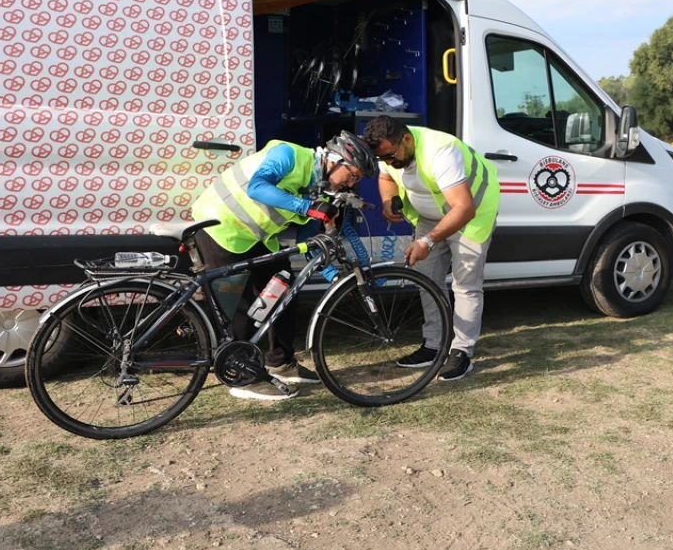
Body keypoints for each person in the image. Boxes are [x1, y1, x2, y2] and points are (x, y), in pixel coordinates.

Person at [190, 131, 378, 401]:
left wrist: (329, 270)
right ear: (335, 161)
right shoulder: (289, 154)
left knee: (285, 288)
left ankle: (280, 362)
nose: (352, 183)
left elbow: (306, 237)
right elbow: (257, 187)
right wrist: (308, 207)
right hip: (219, 228)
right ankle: (244, 378)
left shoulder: (316, 185)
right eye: (353, 175)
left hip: (254, 238)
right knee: (240, 304)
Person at [361, 116, 499, 381]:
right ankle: (435, 344)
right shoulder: (389, 150)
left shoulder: (441, 151)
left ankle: (461, 352)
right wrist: (389, 201)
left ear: (407, 140)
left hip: (471, 217)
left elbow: (463, 208)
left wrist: (427, 241)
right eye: (383, 159)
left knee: (466, 286)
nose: (389, 162)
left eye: (391, 156)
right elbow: (387, 178)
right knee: (426, 281)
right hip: (430, 218)